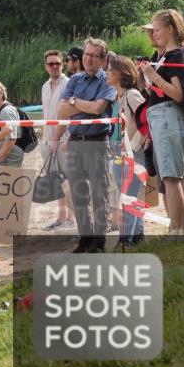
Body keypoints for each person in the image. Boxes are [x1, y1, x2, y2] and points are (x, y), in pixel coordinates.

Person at [137, 11, 184, 237]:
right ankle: (181, 230)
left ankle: (176, 230)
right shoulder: (164, 57)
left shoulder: (176, 57)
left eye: (157, 29)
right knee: (175, 177)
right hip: (163, 118)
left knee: (173, 178)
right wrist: (149, 81)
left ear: (170, 29)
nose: (154, 33)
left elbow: (178, 94)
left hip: (171, 118)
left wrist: (154, 76)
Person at [57, 38, 117, 253]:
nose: (88, 59)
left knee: (99, 192)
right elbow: (62, 111)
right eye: (86, 54)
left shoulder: (107, 80)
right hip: (75, 143)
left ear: (102, 60)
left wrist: (74, 102)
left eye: (93, 55)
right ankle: (85, 237)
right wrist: (82, 105)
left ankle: (98, 239)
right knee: (78, 192)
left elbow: (98, 109)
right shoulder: (75, 80)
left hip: (96, 142)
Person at [106, 54, 147, 246]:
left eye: (110, 70)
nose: (106, 72)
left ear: (121, 73)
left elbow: (147, 123)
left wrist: (134, 147)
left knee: (128, 198)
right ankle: (138, 235)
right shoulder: (117, 96)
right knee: (129, 196)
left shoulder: (132, 95)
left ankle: (126, 240)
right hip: (118, 155)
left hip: (132, 155)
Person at [39, 49, 75, 231]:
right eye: (51, 64)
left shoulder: (69, 84)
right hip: (47, 139)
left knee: (68, 180)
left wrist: (58, 138)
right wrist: (47, 138)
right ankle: (61, 217)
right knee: (56, 180)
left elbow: (67, 114)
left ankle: (71, 219)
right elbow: (47, 113)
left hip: (64, 139)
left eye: (58, 63)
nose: (55, 67)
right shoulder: (45, 86)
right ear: (46, 67)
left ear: (62, 64)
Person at [0, 81, 23, 168]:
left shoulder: (6, 111)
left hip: (10, 157)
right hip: (4, 154)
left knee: (6, 181)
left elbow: (11, 139)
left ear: (0, 93)